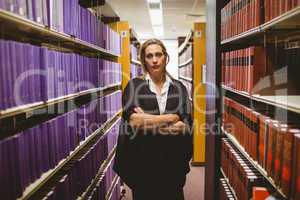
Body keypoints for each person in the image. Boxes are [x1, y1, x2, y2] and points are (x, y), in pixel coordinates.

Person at [113, 39, 193, 200]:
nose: (155, 60)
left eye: (158, 55)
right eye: (149, 56)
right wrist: (171, 117)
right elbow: (135, 122)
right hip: (143, 165)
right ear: (144, 60)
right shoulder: (134, 86)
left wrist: (148, 122)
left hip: (172, 164)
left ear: (165, 57)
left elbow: (183, 127)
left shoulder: (179, 88)